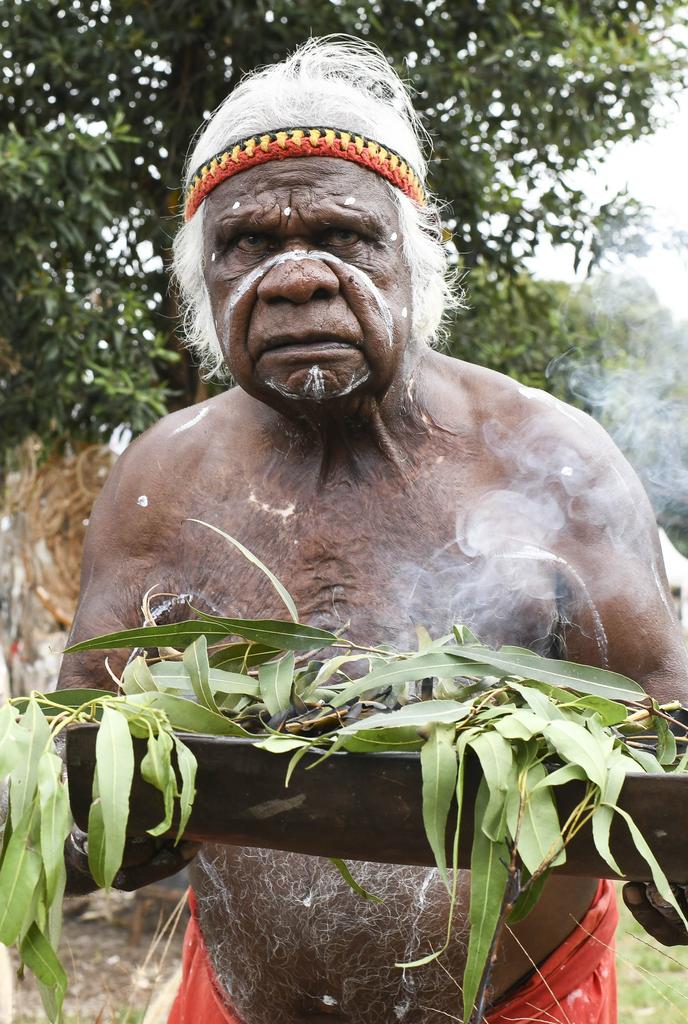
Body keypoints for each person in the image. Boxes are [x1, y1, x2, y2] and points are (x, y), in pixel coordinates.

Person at [58, 37, 688, 1024]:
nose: (296, 279)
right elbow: (80, 777)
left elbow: (668, 755)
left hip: (523, 1003)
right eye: (248, 244)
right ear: (204, 287)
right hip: (234, 1003)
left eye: (345, 237)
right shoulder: (163, 484)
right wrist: (79, 820)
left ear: (412, 262)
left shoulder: (549, 460)